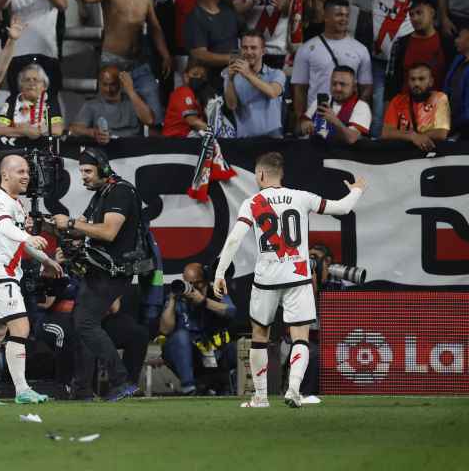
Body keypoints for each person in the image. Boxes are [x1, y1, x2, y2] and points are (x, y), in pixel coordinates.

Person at [214, 151, 367, 408]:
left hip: (266, 279)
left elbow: (234, 239)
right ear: (281, 174)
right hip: (297, 276)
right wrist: (358, 190)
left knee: (259, 335)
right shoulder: (301, 197)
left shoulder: (252, 202)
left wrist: (220, 273)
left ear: (260, 174)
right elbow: (343, 207)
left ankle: (260, 397)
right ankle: (294, 390)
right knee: (300, 336)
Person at [52, 147, 149, 402]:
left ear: (104, 169)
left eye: (88, 171)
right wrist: (50, 225)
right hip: (99, 270)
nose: (83, 176)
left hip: (113, 272)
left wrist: (71, 224)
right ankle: (83, 389)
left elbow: (107, 232)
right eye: (81, 171)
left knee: (84, 323)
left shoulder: (120, 191)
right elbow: (81, 228)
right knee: (83, 325)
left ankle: (121, 381)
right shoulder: (101, 194)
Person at [0, 152, 62, 405]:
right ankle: (22, 390)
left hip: (1, 274)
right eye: (20, 172)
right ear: (5, 174)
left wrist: (45, 259)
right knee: (20, 328)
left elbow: (16, 238)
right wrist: (28, 237)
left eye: (27, 172)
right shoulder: (0, 202)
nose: (26, 176)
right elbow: (5, 228)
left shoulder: (15, 202)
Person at [68, 0, 172, 122]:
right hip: (112, 62)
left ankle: (156, 145)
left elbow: (155, 28)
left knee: (154, 106)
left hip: (138, 64)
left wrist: (165, 54)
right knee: (109, 111)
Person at [348, 0, 434, 137]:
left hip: (406, 62)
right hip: (378, 62)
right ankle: (379, 148)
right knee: (379, 109)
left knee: (407, 106)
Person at [291, 0, 373, 136]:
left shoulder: (360, 49)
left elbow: (366, 88)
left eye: (347, 15)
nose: (344, 19)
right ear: (326, 17)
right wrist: (301, 119)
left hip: (347, 121)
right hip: (316, 118)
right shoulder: (306, 49)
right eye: (339, 15)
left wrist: (358, 114)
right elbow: (299, 88)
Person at [159, 262, 236, 395]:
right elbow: (165, 330)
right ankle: (189, 388)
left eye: (197, 283)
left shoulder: (215, 292)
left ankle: (230, 387)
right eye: (189, 283)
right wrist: (172, 300)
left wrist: (203, 301)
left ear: (206, 281)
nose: (192, 288)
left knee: (235, 348)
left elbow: (230, 311)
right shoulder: (178, 297)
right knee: (180, 336)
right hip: (187, 355)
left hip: (214, 353)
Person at [386, 0, 455, 101]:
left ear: (432, 13)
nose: (415, 18)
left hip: (437, 109)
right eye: (411, 15)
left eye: (419, 13)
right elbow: (391, 81)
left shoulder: (447, 43)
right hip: (405, 108)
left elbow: (453, 81)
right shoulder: (400, 44)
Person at [186, 0, 240, 94]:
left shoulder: (227, 8)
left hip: (236, 78)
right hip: (211, 84)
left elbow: (243, 33)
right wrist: (234, 58)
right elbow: (200, 54)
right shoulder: (195, 19)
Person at [68, 65, 155, 141]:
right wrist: (92, 132)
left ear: (120, 84)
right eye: (104, 85)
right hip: (108, 148)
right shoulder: (91, 105)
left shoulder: (133, 100)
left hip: (132, 146)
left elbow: (149, 120)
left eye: (112, 84)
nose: (108, 90)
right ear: (99, 83)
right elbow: (74, 129)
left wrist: (131, 91)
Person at [224, 31, 285, 138]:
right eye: (245, 47)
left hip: (273, 136)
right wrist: (230, 80)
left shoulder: (276, 74)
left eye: (253, 48)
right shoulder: (231, 75)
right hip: (245, 138)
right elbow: (231, 105)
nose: (248, 52)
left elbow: (273, 92)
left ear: (263, 51)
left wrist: (248, 74)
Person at [382, 63, 452, 151]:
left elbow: (441, 132)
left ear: (431, 82)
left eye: (421, 79)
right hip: (402, 155)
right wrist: (413, 137)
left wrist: (417, 138)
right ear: (408, 82)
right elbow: (386, 132)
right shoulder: (397, 100)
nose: (416, 83)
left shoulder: (439, 98)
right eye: (412, 79)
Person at [0, 64, 64, 138]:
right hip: (15, 147)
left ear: (44, 85)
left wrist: (38, 130)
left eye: (36, 80)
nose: (31, 83)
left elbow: (58, 129)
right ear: (21, 85)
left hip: (42, 147)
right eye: (27, 80)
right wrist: (24, 131)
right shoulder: (12, 100)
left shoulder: (50, 100)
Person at [311, 66, 372, 145]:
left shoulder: (361, 106)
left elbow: (351, 138)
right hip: (316, 151)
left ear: (354, 87)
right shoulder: (320, 102)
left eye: (343, 84)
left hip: (343, 155)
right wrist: (304, 124)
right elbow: (298, 130)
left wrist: (334, 120)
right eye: (334, 83)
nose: (338, 88)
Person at [163, 59, 211, 138]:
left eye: (202, 76)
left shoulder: (200, 95)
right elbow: (192, 121)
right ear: (186, 76)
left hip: (186, 137)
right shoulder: (184, 92)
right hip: (174, 139)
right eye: (195, 74)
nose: (199, 78)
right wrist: (214, 130)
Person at [444, 27, 469, 138]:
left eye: (459, 37)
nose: (455, 40)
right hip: (450, 121)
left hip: (464, 126)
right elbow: (447, 88)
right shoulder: (457, 59)